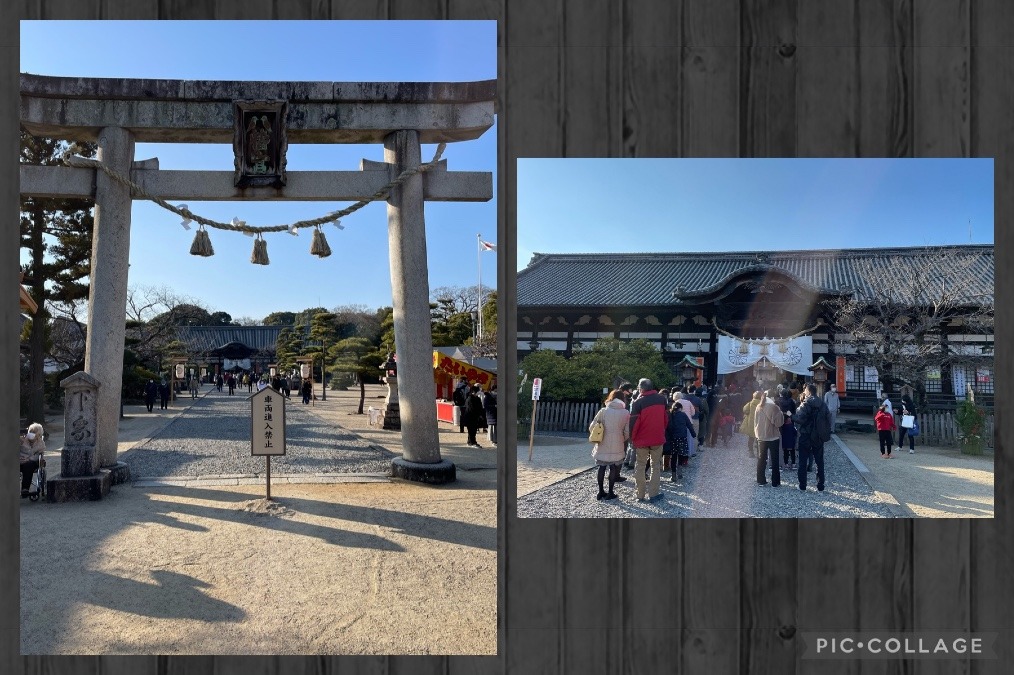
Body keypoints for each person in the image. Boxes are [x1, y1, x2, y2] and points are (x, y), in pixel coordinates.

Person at [628, 378, 669, 502]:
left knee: (640, 465)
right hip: (657, 437)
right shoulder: (662, 399)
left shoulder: (637, 402)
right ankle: (653, 494)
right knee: (655, 465)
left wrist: (632, 438)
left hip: (642, 439)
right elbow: (666, 419)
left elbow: (634, 424)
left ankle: (639, 494)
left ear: (641, 388)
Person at [589, 389, 630, 500]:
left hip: (602, 442)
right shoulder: (625, 413)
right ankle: (610, 492)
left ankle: (600, 491)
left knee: (601, 467)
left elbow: (592, 426)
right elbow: (627, 432)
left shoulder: (603, 411)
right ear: (622, 399)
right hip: (617, 442)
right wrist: (622, 439)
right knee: (613, 467)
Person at [793, 384, 830, 491]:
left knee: (803, 461)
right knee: (819, 461)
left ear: (808, 391)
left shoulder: (806, 403)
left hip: (806, 435)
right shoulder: (822, 404)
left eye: (805, 390)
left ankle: (802, 485)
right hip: (818, 435)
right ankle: (820, 485)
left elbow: (800, 419)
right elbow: (828, 418)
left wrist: (792, 416)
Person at [754, 390, 784, 487]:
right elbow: (779, 423)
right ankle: (775, 482)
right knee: (775, 459)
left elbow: (755, 422)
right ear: (773, 398)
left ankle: (760, 480)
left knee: (761, 459)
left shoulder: (759, 406)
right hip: (773, 436)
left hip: (761, 436)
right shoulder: (775, 407)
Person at [665, 400, 694, 481]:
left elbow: (667, 426)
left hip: (673, 438)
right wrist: (693, 434)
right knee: (681, 454)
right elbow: (689, 425)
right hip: (682, 437)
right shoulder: (683, 415)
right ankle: (680, 472)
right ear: (680, 408)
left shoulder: (670, 415)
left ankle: (673, 475)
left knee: (673, 456)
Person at [19, 422, 46, 498]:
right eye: (30, 431)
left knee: (29, 465)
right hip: (20, 461)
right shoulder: (22, 440)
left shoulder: (41, 443)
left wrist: (28, 459)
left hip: (32, 463)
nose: (31, 433)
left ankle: (25, 489)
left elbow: (39, 456)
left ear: (39, 435)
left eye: (34, 432)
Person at [777, 387, 798, 469]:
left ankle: (785, 462)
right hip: (790, 422)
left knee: (784, 444)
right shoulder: (791, 401)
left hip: (782, 422)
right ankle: (793, 463)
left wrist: (784, 415)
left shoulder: (779, 401)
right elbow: (793, 411)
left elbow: (780, 411)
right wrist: (789, 415)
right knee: (792, 444)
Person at [741, 391, 762, 459]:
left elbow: (745, 410)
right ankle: (759, 453)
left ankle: (751, 452)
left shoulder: (750, 403)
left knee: (751, 438)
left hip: (751, 423)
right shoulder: (763, 403)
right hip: (760, 423)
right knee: (759, 439)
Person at [464, 384, 485, 448]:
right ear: (473, 392)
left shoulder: (477, 398)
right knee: (471, 430)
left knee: (474, 430)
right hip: (470, 417)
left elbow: (480, 407)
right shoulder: (470, 398)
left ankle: (470, 441)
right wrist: (478, 413)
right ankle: (472, 442)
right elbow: (471, 409)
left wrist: (480, 414)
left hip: (475, 417)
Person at [897, 389, 917, 454]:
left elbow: (913, 413)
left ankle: (912, 448)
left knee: (910, 435)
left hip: (909, 420)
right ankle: (900, 446)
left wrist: (908, 412)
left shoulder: (911, 405)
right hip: (904, 420)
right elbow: (900, 411)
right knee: (901, 434)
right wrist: (897, 412)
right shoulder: (902, 405)